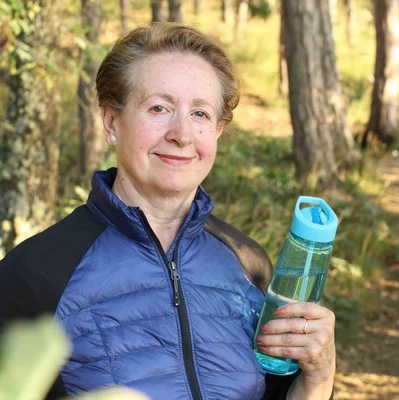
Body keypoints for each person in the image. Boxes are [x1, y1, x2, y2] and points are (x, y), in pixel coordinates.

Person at [0, 23, 335, 400]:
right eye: (159, 108)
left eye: (200, 114)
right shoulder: (35, 273)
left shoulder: (247, 262)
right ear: (112, 123)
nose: (182, 134)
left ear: (218, 131)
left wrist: (317, 379)